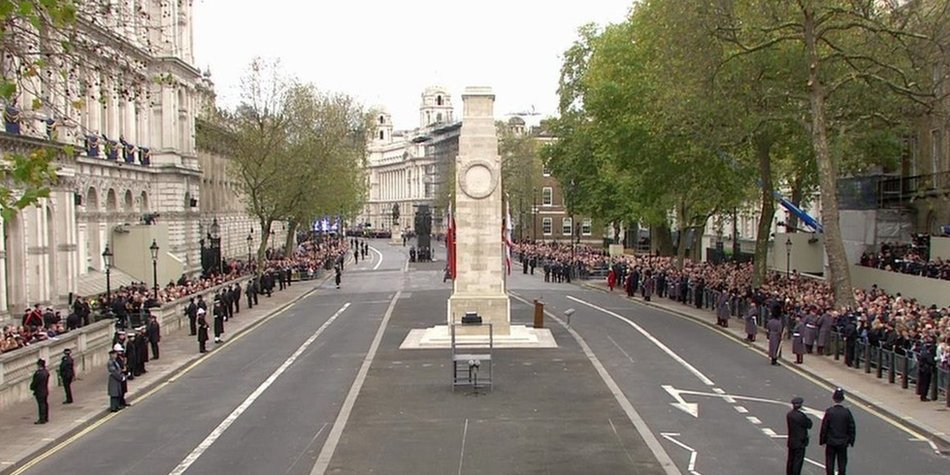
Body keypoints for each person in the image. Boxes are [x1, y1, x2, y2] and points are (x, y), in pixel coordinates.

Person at [820, 388, 856, 475]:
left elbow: (824, 427)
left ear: (834, 398)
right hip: (843, 442)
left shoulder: (829, 412)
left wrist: (822, 440)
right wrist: (851, 441)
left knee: (830, 461)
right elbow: (851, 427)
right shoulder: (846, 412)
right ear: (843, 399)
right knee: (842, 461)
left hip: (831, 441)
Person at [786, 396, 812, 475]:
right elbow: (809, 424)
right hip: (800, 442)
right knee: (798, 461)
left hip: (791, 441)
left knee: (791, 459)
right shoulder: (801, 416)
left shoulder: (789, 415)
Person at [30, 359, 50, 424]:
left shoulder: (38, 373)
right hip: (45, 390)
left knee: (41, 405)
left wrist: (32, 387)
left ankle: (42, 419)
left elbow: (35, 382)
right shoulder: (46, 372)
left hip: (39, 391)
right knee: (45, 404)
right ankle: (46, 417)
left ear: (39, 365)